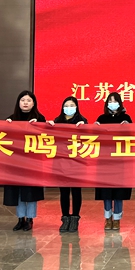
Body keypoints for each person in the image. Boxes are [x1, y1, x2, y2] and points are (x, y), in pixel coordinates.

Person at [5, 90, 46, 232]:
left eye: (29, 100)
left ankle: (30, 219)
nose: (25, 103)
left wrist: (38, 125)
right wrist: (6, 126)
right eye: (23, 100)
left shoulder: (40, 118)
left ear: (33, 103)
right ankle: (20, 218)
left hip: (32, 162)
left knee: (30, 191)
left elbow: (46, 138)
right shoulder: (11, 119)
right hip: (16, 162)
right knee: (18, 191)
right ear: (18, 103)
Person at [49, 96, 87, 233]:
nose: (69, 108)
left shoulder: (82, 121)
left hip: (76, 162)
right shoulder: (57, 121)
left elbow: (88, 139)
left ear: (76, 107)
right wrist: (48, 126)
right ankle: (65, 218)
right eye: (66, 105)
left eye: (72, 105)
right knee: (64, 191)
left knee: (76, 191)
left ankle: (75, 218)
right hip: (61, 161)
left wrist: (84, 127)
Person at [95, 92, 133, 231]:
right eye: (110, 101)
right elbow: (95, 137)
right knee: (105, 190)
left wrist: (128, 127)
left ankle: (117, 218)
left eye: (115, 101)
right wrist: (94, 128)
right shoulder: (101, 118)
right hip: (104, 160)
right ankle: (107, 217)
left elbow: (132, 137)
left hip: (119, 160)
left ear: (120, 103)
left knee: (119, 190)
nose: (112, 104)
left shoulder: (126, 118)